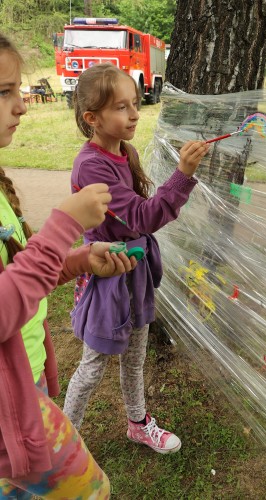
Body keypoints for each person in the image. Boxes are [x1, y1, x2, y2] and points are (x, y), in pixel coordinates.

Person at [0, 33, 137, 499]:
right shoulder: (91, 163)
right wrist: (64, 225)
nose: (22, 106)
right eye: (4, 92)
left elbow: (16, 275)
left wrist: (78, 260)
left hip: (23, 382)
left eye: (17, 90)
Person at [63, 63, 209, 454]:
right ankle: (63, 445)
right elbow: (142, 217)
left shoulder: (123, 151)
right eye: (121, 108)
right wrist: (183, 174)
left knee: (135, 358)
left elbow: (140, 212)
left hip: (136, 274)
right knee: (92, 367)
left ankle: (138, 423)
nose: (134, 114)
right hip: (108, 275)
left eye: (135, 103)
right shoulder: (92, 165)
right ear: (93, 118)